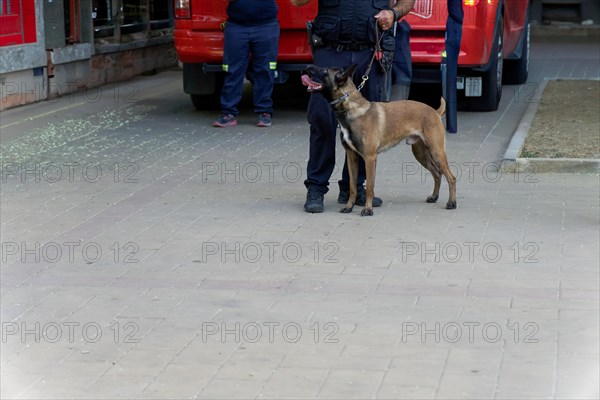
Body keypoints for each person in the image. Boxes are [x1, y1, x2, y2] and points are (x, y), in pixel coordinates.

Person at [292, 0, 416, 213]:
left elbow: (408, 1)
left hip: (370, 51)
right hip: (331, 52)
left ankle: (353, 188)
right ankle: (316, 188)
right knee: (322, 120)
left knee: (367, 127)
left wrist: (393, 13)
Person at [213, 0, 280, 128]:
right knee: (232, 71)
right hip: (236, 25)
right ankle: (229, 114)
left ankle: (264, 112)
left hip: (266, 24)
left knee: (265, 70)